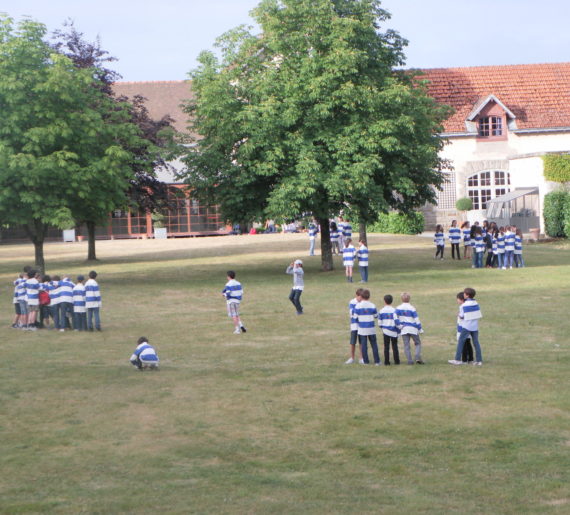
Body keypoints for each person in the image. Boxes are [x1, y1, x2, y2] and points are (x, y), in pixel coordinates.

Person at [449, 287, 483, 366]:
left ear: (467, 295)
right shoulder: (476, 303)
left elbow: (462, 316)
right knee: (476, 343)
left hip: (467, 326)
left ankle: (457, 359)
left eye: (464, 293)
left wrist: (459, 315)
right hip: (475, 327)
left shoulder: (464, 305)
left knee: (461, 342)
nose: (463, 294)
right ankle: (479, 360)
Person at [396, 292, 424, 364]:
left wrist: (399, 325)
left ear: (401, 299)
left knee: (406, 345)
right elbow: (416, 319)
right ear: (409, 299)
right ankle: (417, 356)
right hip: (413, 328)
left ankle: (409, 360)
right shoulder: (412, 308)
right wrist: (420, 328)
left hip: (404, 328)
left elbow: (395, 318)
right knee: (417, 343)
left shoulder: (398, 308)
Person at [354, 289, 380, 365]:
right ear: (369, 296)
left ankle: (365, 361)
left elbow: (355, 317)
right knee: (374, 344)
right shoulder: (372, 305)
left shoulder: (358, 306)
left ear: (361, 296)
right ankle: (377, 361)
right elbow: (376, 316)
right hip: (371, 327)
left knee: (364, 345)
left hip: (362, 328)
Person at [379, 294, 400, 365]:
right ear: (392, 301)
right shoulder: (394, 310)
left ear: (384, 301)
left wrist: (382, 327)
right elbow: (397, 321)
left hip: (385, 331)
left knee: (386, 347)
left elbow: (379, 322)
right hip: (394, 331)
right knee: (395, 346)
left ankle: (386, 362)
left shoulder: (381, 311)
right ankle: (397, 361)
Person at [345, 288, 364, 364]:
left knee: (361, 342)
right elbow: (352, 313)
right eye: (360, 297)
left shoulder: (363, 302)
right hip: (354, 325)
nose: (361, 299)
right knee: (353, 342)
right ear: (357, 295)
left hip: (362, 325)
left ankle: (361, 357)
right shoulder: (352, 302)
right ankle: (352, 357)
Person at [455, 292, 474, 363]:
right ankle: (471, 359)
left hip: (463, 328)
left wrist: (458, 315)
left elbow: (462, 317)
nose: (457, 300)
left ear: (462, 300)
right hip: (469, 327)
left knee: (463, 344)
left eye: (457, 299)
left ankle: (464, 359)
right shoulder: (468, 306)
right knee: (468, 343)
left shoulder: (462, 307)